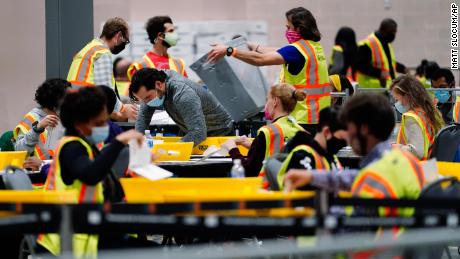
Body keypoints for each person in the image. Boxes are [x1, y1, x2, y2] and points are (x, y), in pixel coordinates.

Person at [37, 87, 149, 257]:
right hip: (75, 239)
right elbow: (91, 175)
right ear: (79, 124)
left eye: (105, 122)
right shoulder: (71, 148)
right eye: (98, 124)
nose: (105, 127)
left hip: (92, 230)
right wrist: (118, 142)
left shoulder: (88, 146)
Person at [207, 7, 330, 134]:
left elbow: (261, 59)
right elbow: (278, 51)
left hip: (302, 119)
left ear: (299, 28)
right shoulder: (313, 47)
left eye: (288, 27)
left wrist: (230, 51)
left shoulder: (296, 50)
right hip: (319, 117)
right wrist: (253, 46)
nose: (286, 31)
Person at [220, 84, 306, 178]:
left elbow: (248, 171)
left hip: (267, 188)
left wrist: (232, 149)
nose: (266, 105)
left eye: (267, 100)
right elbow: (281, 153)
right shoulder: (301, 131)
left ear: (275, 101)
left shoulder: (268, 132)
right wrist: (254, 146)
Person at [130, 68, 233, 146]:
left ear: (159, 85)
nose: (146, 103)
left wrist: (170, 150)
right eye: (143, 100)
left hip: (220, 132)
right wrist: (138, 145)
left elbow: (198, 133)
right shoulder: (153, 83)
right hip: (191, 130)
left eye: (148, 98)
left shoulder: (183, 94)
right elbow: (143, 118)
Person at [67, 17, 138, 121]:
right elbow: (105, 92)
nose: (124, 45)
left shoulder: (89, 48)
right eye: (125, 40)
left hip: (75, 107)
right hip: (88, 111)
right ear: (118, 36)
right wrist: (123, 109)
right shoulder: (102, 52)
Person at [276, 106, 348, 190]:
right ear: (327, 132)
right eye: (342, 139)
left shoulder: (330, 156)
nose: (344, 144)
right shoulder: (302, 155)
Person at [13, 79, 71, 170]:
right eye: (66, 97)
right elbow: (19, 151)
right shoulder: (31, 118)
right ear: (54, 98)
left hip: (58, 171)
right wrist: (37, 129)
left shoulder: (65, 117)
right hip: (38, 177)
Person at [391, 75, 444, 160]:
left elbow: (417, 152)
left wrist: (394, 147)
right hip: (432, 165)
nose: (396, 103)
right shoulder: (433, 112)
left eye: (397, 99)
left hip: (417, 168)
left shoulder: (411, 118)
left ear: (407, 96)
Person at [127, 16, 187, 80]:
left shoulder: (179, 64)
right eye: (171, 31)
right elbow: (135, 89)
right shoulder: (140, 65)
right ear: (160, 36)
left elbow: (187, 88)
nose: (175, 35)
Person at [356, 18, 407, 88]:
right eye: (392, 32)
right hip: (371, 90)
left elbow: (389, 63)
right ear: (383, 30)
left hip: (386, 89)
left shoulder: (386, 43)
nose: (393, 35)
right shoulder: (367, 43)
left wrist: (403, 68)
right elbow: (360, 65)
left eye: (395, 32)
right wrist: (379, 74)